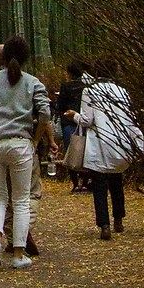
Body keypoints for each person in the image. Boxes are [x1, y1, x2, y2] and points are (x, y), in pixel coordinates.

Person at [0, 35, 53, 271]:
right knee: (20, 200)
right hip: (20, 144)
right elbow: (46, 114)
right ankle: (19, 254)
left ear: (4, 57)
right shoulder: (32, 82)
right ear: (26, 58)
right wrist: (36, 139)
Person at [79, 64, 144, 240]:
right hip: (118, 143)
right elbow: (131, 118)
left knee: (99, 186)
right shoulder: (123, 91)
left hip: (98, 143)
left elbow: (87, 120)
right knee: (116, 180)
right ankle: (118, 219)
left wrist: (74, 116)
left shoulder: (90, 91)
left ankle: (104, 225)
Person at [56, 58, 88, 189]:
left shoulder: (66, 86)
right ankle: (85, 181)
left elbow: (60, 106)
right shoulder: (87, 86)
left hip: (69, 121)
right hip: (83, 121)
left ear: (69, 73)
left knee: (71, 152)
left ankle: (75, 182)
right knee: (85, 151)